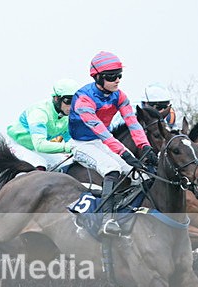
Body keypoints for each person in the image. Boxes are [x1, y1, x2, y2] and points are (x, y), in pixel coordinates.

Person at [68, 51, 158, 236]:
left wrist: (145, 147)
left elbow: (133, 123)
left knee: (141, 174)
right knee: (112, 169)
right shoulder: (83, 99)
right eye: (111, 76)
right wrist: (123, 153)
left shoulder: (120, 96)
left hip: (102, 142)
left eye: (119, 75)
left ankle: (134, 211)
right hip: (82, 144)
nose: (117, 80)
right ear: (98, 77)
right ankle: (106, 221)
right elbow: (101, 131)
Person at [5, 78, 81, 171]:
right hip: (18, 145)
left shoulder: (68, 117)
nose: (72, 106)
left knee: (67, 163)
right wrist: (68, 147)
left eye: (75, 101)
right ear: (56, 98)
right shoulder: (40, 112)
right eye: (68, 101)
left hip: (36, 149)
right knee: (39, 164)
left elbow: (71, 141)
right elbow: (39, 145)